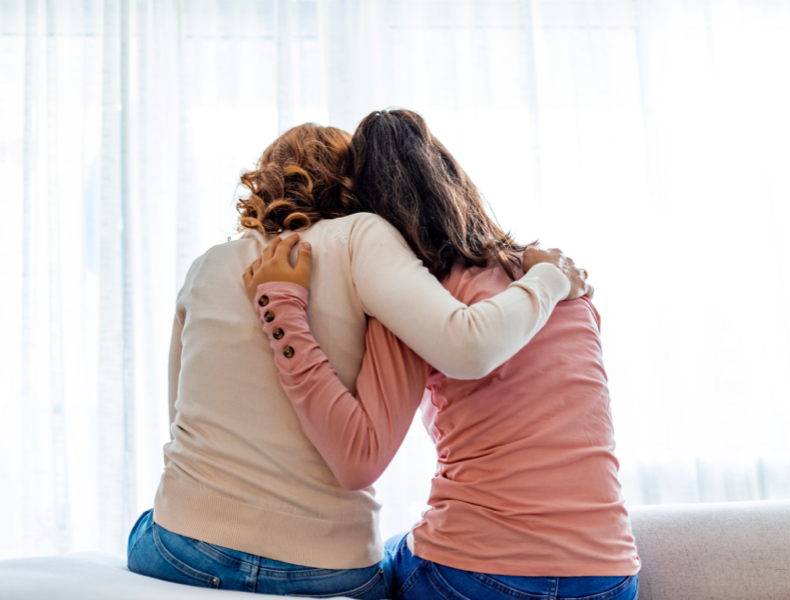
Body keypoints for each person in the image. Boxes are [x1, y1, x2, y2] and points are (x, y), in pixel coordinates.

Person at [127, 122, 588, 597]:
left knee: (149, 521)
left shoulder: (207, 264)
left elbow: (180, 416)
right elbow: (462, 345)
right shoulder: (364, 237)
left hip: (183, 547)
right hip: (326, 564)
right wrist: (548, 278)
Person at [244, 110, 639, 600]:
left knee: (365, 567)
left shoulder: (417, 301)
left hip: (477, 573)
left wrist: (283, 311)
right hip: (610, 573)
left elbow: (356, 459)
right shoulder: (564, 284)